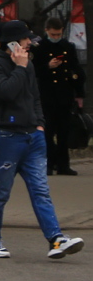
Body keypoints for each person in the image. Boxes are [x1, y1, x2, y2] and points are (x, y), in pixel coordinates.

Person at [0, 20, 82, 259]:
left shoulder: (28, 64)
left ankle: (56, 239)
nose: (29, 43)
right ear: (13, 42)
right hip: (7, 137)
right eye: (26, 40)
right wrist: (19, 67)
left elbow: (34, 95)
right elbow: (7, 92)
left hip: (32, 137)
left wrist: (39, 124)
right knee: (0, 192)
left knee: (41, 190)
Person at [33, 16, 85, 176]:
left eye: (58, 34)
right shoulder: (39, 47)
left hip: (64, 93)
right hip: (47, 94)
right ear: (47, 31)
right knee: (47, 131)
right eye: (53, 34)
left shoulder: (67, 47)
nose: (56, 37)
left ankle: (63, 164)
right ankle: (48, 163)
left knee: (64, 131)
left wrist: (79, 94)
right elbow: (33, 71)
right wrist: (48, 66)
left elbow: (76, 70)